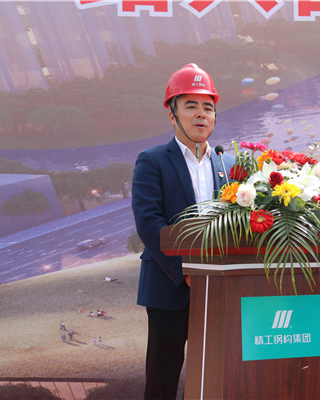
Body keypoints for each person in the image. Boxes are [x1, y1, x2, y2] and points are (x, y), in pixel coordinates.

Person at [132, 63, 234, 400]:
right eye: (191, 106)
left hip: (221, 289)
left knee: (220, 377)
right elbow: (149, 222)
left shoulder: (228, 164)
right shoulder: (152, 160)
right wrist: (187, 271)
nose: (201, 114)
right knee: (162, 382)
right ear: (172, 115)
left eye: (208, 107)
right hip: (170, 286)